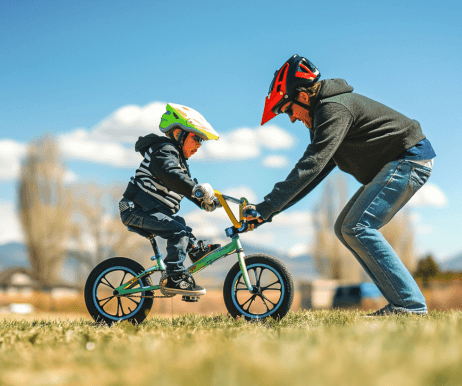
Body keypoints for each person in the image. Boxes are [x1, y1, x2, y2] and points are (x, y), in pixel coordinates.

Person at [245, 55, 436, 315]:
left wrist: (266, 208)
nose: (290, 118)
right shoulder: (326, 115)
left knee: (358, 226)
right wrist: (268, 212)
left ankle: (409, 306)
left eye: (287, 109)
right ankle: (403, 304)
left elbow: (310, 165)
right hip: (402, 162)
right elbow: (316, 172)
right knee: (346, 227)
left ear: (302, 96)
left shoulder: (333, 109)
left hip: (409, 159)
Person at [119, 103, 222, 296]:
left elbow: (186, 184)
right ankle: (174, 276)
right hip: (136, 208)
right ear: (178, 134)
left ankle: (194, 251)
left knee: (180, 224)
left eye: (202, 141)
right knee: (178, 232)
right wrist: (195, 189)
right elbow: (171, 174)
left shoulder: (180, 162)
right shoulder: (163, 149)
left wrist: (208, 201)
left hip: (149, 210)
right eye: (197, 138)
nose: (199, 145)